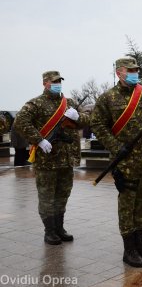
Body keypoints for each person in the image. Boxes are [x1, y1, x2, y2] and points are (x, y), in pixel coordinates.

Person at [91, 57, 142, 267]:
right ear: (119, 73)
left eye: (136, 69)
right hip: (125, 161)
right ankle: (129, 249)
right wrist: (116, 147)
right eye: (131, 70)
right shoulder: (107, 98)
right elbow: (97, 124)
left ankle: (140, 243)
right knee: (128, 205)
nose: (135, 73)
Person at [14, 71, 89, 245]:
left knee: (63, 194)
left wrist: (78, 117)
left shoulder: (69, 103)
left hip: (66, 159)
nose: (57, 84)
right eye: (54, 82)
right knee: (47, 196)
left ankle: (59, 228)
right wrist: (39, 140)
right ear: (45, 83)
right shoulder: (36, 103)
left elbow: (86, 121)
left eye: (59, 81)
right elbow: (20, 122)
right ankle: (49, 231)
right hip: (47, 160)